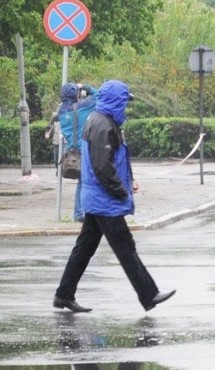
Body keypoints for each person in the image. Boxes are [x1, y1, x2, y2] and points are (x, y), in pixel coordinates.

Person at [53, 80, 175, 313]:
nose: (126, 107)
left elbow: (113, 161)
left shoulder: (101, 121)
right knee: (125, 247)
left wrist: (129, 181)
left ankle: (63, 295)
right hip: (104, 200)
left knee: (84, 248)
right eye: (124, 101)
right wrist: (120, 190)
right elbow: (102, 166)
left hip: (96, 197)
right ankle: (149, 295)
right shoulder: (103, 125)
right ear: (115, 100)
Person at [58, 82, 100, 221]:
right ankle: (83, 212)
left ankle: (79, 213)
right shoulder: (82, 107)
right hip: (84, 150)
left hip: (69, 150)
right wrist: (85, 87)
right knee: (88, 182)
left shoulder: (62, 110)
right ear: (76, 95)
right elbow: (99, 95)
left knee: (82, 182)